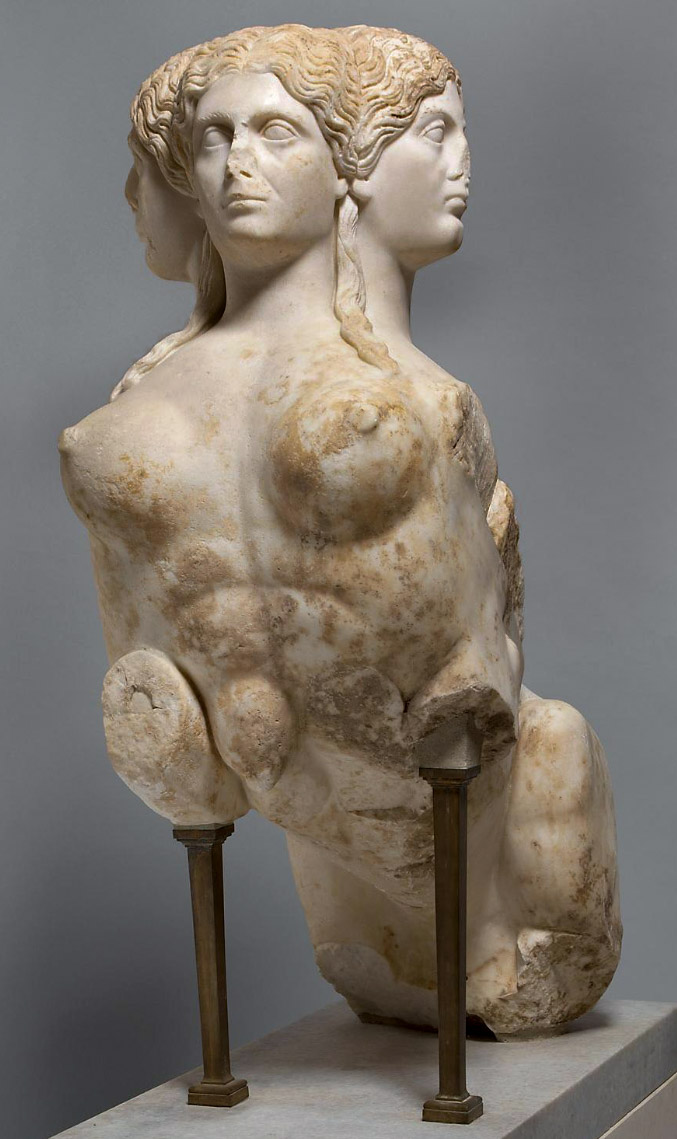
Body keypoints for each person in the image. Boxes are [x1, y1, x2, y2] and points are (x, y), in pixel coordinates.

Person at [60, 24, 620, 1038]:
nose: (239, 162)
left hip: (475, 829)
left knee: (550, 738)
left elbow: (483, 646)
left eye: (273, 132)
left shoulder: (420, 398)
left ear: (338, 169)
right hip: (299, 811)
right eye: (217, 139)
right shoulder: (141, 405)